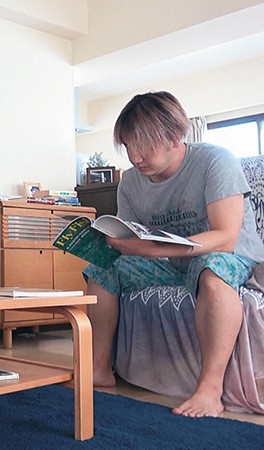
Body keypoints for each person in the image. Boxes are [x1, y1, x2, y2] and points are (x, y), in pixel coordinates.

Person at [85, 91, 264, 418]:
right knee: (101, 267)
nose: (135, 157)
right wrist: (112, 242)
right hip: (177, 264)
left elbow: (225, 237)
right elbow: (132, 236)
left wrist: (153, 249)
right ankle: (99, 368)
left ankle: (210, 389)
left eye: (144, 145)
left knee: (211, 271)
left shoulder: (215, 162)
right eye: (128, 146)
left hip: (235, 257)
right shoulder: (130, 182)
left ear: (176, 136)